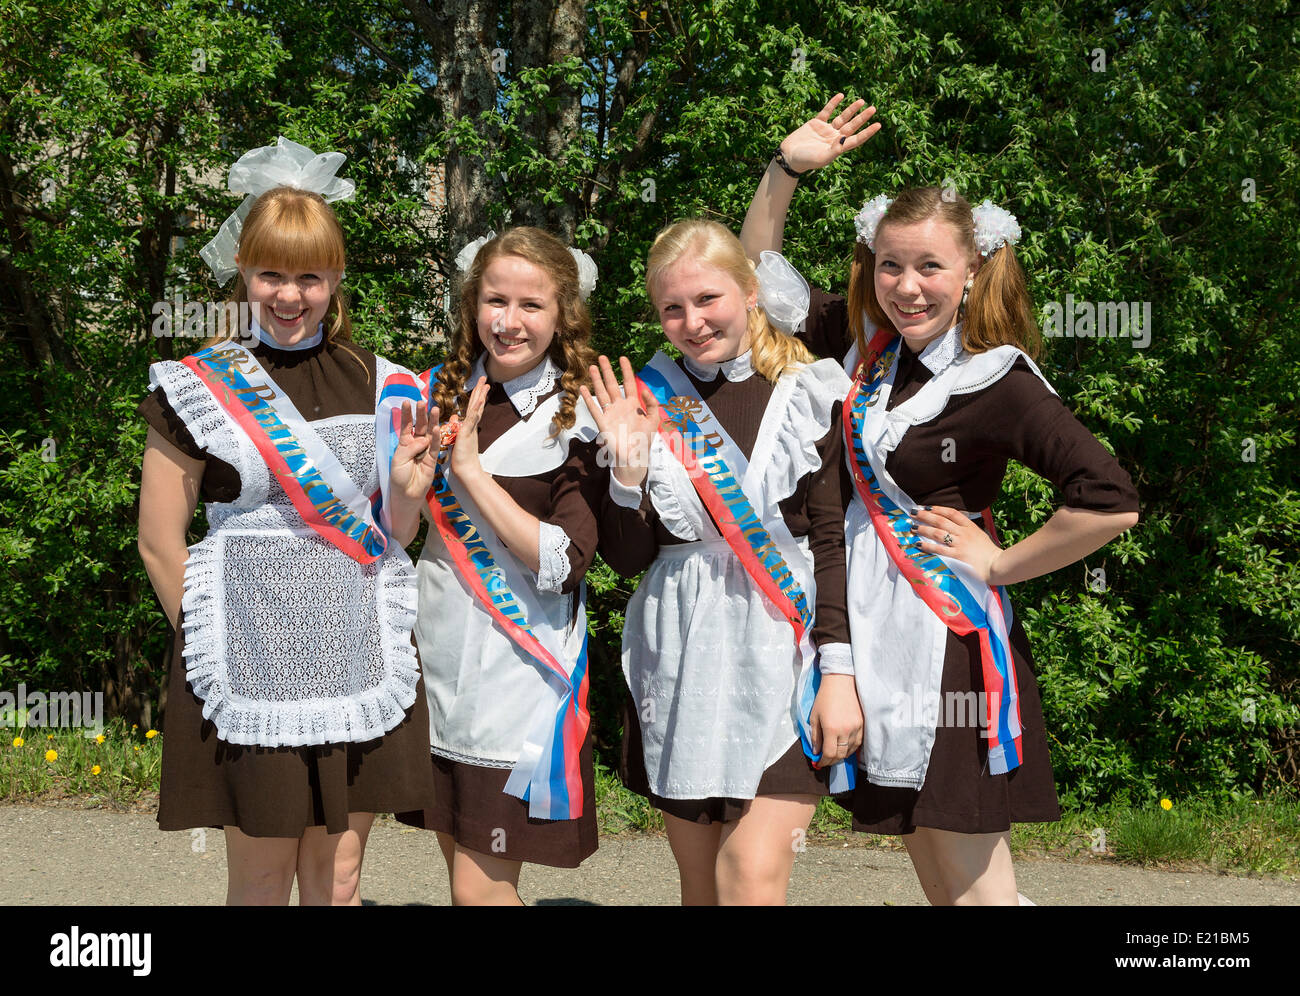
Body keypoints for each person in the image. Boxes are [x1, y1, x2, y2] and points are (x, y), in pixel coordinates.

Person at [741, 99, 1141, 905]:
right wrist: (784, 171)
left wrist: (1001, 563)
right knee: (938, 875)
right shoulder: (867, 352)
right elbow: (758, 280)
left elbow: (1109, 500)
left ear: (972, 272)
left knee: (973, 885)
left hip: (946, 641)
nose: (907, 286)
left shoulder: (1001, 378)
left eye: (929, 266)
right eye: (890, 265)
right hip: (868, 637)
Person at [137, 137, 435, 906]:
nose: (290, 295)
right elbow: (158, 540)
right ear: (243, 272)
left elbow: (395, 537)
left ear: (336, 278)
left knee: (338, 882)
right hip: (247, 664)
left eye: (310, 276)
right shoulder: (197, 385)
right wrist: (213, 646)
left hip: (355, 652)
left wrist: (405, 491)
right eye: (272, 273)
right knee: (262, 884)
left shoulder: (385, 382)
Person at [586, 219, 863, 905]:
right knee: (700, 883)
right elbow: (626, 560)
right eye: (672, 308)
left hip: (786, 644)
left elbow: (831, 540)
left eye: (708, 299)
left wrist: (840, 672)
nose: (692, 321)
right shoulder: (644, 398)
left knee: (752, 872)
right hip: (681, 648)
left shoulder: (809, 388)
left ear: (750, 291)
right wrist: (625, 474)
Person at [387, 228, 605, 905]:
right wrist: (405, 491)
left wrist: (472, 472)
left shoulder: (584, 413)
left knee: (480, 891)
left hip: (520, 674)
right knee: (462, 874)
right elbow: (399, 535)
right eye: (494, 301)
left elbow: (566, 562)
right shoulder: (437, 394)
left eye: (531, 305)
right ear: (470, 304)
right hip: (441, 659)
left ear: (563, 313)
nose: (509, 322)